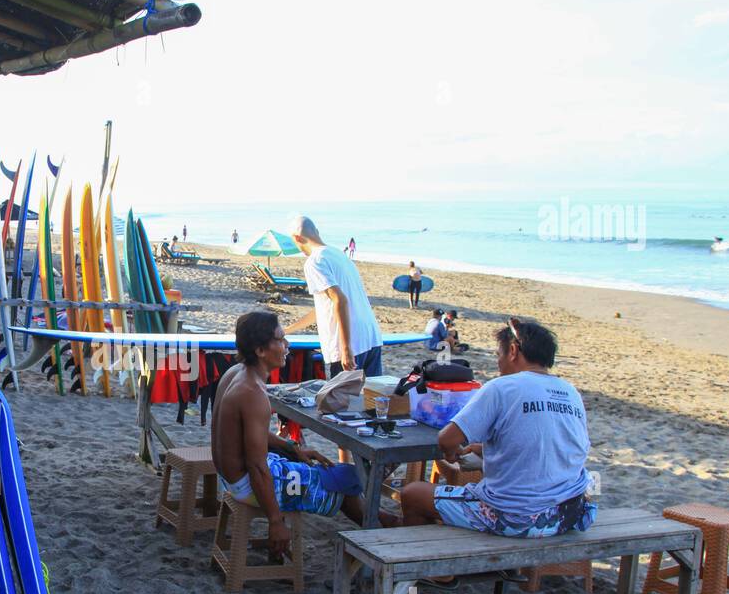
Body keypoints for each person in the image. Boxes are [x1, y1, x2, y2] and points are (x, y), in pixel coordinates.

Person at [400, 317, 597, 543]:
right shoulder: (570, 391)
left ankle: (437, 574)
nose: (498, 362)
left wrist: (450, 453)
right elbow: (545, 446)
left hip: (517, 518)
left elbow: (446, 439)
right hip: (568, 513)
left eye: (498, 355)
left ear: (513, 351)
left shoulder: (503, 387)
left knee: (412, 494)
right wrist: (484, 450)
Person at [211, 312, 366, 557]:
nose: (288, 345)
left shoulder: (236, 374)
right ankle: (381, 532)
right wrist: (275, 521)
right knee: (344, 480)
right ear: (261, 350)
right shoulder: (253, 393)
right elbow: (258, 466)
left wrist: (292, 448)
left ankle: (378, 524)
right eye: (281, 339)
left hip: (228, 477)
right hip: (246, 484)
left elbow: (248, 435)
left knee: (319, 466)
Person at [282, 215, 383, 376]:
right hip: (370, 336)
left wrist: (346, 348)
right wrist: (288, 330)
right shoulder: (341, 256)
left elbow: (340, 300)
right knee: (371, 398)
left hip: (350, 342)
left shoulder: (314, 261)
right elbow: (325, 308)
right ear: (316, 231)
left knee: (344, 400)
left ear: (297, 238)